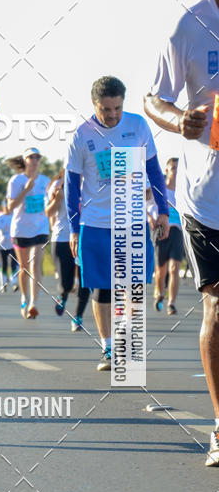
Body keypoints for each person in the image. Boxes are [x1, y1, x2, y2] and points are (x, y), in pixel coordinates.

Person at [144, 0, 219, 463]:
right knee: (218, 304)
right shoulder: (190, 26)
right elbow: (155, 96)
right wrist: (179, 120)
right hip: (206, 195)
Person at [66, 75, 169, 371]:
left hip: (132, 222)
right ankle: (109, 349)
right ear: (94, 105)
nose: (112, 115)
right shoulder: (81, 135)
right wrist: (74, 228)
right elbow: (71, 186)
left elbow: (154, 171)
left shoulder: (137, 126)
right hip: (96, 224)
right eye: (106, 109)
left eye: (117, 108)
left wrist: (162, 209)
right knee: (104, 289)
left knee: (132, 287)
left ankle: (127, 344)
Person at [45, 167, 90, 330]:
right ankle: (62, 296)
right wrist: (57, 200)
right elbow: (48, 213)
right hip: (63, 237)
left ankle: (78, 316)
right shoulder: (57, 185)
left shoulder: (90, 183)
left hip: (86, 236)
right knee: (67, 283)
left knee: (85, 279)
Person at [7, 147, 49, 318]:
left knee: (35, 265)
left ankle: (34, 303)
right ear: (25, 160)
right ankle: (24, 297)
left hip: (41, 228)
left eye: (38, 157)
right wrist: (25, 190)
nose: (35, 159)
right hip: (21, 229)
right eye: (31, 157)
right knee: (24, 268)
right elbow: (10, 207)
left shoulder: (46, 181)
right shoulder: (16, 180)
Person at [149, 158, 184, 315]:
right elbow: (147, 204)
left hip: (177, 230)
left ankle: (172, 303)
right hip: (161, 229)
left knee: (174, 267)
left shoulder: (184, 191)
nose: (176, 171)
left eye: (178, 168)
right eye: (173, 168)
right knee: (161, 270)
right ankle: (160, 293)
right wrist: (150, 217)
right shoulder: (160, 188)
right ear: (167, 170)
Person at [0, 201, 17, 292]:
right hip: (1, 244)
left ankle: (14, 283)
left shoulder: (14, 216)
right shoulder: (0, 217)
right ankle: (3, 284)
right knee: (4, 264)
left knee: (13, 263)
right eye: (5, 205)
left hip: (13, 244)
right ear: (3, 206)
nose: (7, 207)